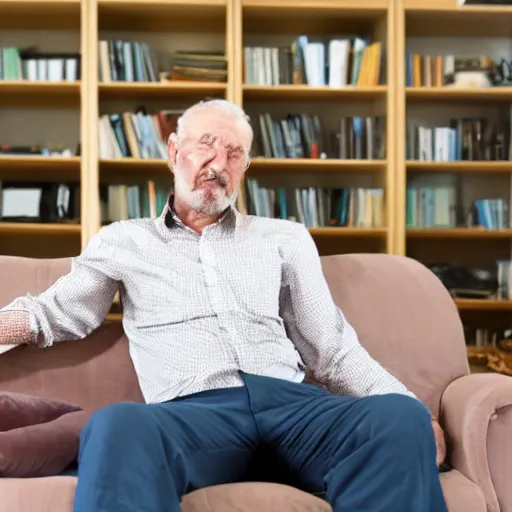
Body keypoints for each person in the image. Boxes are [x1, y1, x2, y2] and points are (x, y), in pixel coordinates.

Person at [0, 99, 447, 512]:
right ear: (174, 151)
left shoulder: (284, 238)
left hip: (292, 408)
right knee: (117, 427)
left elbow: (330, 350)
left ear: (245, 167)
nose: (218, 164)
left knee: (398, 418)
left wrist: (413, 408)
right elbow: (54, 312)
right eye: (206, 147)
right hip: (193, 413)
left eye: (234, 154)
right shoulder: (125, 240)